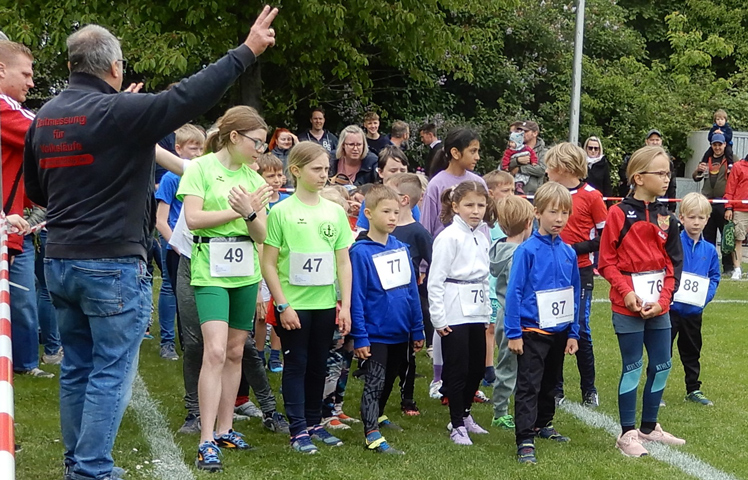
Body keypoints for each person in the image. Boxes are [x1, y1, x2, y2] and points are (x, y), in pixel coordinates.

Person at [23, 8, 279, 479]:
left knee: (78, 367)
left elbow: (37, 192)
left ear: (69, 66)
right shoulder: (119, 110)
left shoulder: (45, 117)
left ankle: (75, 463)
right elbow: (189, 94)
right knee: (109, 371)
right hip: (111, 263)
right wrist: (247, 51)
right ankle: (92, 469)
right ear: (116, 68)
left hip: (58, 261)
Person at [178, 105, 273, 471]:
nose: (259, 151)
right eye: (256, 143)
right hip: (210, 270)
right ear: (234, 137)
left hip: (245, 272)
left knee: (236, 350)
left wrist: (249, 213)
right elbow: (194, 219)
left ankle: (225, 428)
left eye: (263, 145)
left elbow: (262, 232)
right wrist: (238, 211)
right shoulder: (201, 168)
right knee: (214, 351)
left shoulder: (253, 178)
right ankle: (205, 440)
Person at [261, 141, 354, 454]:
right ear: (296, 171)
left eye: (326, 169)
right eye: (316, 169)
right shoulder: (281, 212)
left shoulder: (335, 212)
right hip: (294, 305)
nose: (323, 175)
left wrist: (346, 306)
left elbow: (343, 261)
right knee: (296, 364)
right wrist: (282, 303)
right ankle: (297, 428)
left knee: (318, 364)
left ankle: (315, 423)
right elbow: (268, 263)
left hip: (325, 304)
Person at [599, 145, 685, 458]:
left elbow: (673, 265)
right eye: (660, 173)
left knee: (662, 364)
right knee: (633, 367)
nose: (666, 178)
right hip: (628, 307)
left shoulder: (667, 216)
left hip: (659, 308)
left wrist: (663, 301)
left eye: (668, 173)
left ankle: (649, 426)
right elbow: (606, 262)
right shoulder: (618, 214)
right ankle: (626, 433)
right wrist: (626, 292)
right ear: (638, 177)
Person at [505, 182, 580, 464]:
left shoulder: (569, 253)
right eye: (553, 212)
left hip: (559, 331)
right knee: (529, 385)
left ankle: (542, 423)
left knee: (551, 382)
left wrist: (573, 332)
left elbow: (573, 293)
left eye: (564, 213)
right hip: (532, 331)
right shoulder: (527, 251)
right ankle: (524, 437)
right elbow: (514, 292)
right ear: (537, 213)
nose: (559, 219)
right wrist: (514, 332)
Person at [350, 185, 424, 454]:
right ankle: (372, 434)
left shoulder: (402, 248)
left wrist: (417, 328)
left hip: (401, 330)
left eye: (397, 212)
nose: (393, 217)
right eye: (386, 212)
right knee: (375, 381)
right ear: (368, 213)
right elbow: (356, 297)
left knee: (392, 377)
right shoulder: (359, 253)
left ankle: (379, 415)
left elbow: (411, 291)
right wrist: (360, 335)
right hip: (376, 331)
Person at [420, 127, 488, 403]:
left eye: (478, 150)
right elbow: (427, 224)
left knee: (469, 330)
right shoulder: (438, 183)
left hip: (472, 265)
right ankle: (440, 378)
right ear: (455, 153)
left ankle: (467, 383)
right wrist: (425, 266)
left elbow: (483, 222)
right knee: (445, 324)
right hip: (446, 262)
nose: (477, 156)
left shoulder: (477, 181)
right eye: (473, 151)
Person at [428, 181, 497, 445]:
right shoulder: (448, 237)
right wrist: (439, 318)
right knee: (457, 368)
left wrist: (486, 310)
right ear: (456, 207)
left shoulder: (482, 234)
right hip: (454, 307)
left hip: (476, 309)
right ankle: (456, 423)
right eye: (469, 205)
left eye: (481, 205)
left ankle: (466, 413)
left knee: (476, 366)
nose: (476, 211)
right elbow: (435, 280)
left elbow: (484, 276)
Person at [545, 143, 608, 409]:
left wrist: (573, 249)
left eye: (549, 167)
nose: (546, 171)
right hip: (550, 272)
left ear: (562, 168)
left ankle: (589, 389)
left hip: (580, 271)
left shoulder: (592, 196)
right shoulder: (548, 194)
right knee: (553, 328)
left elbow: (605, 238)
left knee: (580, 328)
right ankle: (555, 389)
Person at [1, 40, 50, 379]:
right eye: (26, 74)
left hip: (12, 226)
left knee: (18, 304)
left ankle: (22, 365)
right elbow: (47, 134)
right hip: (6, 225)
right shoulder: (4, 108)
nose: (32, 82)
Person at [155, 124, 206, 360]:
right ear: (178, 149)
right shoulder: (170, 178)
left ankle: (190, 340)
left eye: (201, 148)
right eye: (193, 148)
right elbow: (161, 220)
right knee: (169, 289)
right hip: (175, 247)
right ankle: (167, 342)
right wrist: (174, 244)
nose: (197, 153)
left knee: (192, 294)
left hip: (196, 246)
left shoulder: (202, 175)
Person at [387, 173, 433, 416]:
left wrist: (426, 286)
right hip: (380, 301)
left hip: (406, 301)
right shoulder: (382, 228)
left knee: (407, 354)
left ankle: (408, 398)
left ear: (404, 200)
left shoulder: (417, 232)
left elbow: (434, 260)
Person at [488, 195, 534, 430]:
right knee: (508, 366)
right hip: (513, 317)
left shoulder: (498, 248)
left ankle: (514, 405)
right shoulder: (519, 254)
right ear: (528, 223)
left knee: (510, 363)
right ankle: (500, 411)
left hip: (503, 316)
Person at [670, 192, 720, 406]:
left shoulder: (709, 250)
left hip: (693, 312)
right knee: (662, 353)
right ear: (681, 218)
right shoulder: (673, 244)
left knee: (692, 352)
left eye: (701, 218)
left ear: (707, 219)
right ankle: (656, 388)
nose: (696, 222)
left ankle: (693, 389)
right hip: (670, 310)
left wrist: (704, 298)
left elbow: (714, 277)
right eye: (692, 217)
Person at [482, 170, 514, 388]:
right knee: (490, 328)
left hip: (503, 286)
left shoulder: (510, 220)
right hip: (490, 285)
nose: (510, 194)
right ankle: (488, 369)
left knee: (498, 327)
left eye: (513, 190)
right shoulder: (489, 225)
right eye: (505, 191)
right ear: (491, 194)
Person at [693, 133, 733, 275]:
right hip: (707, 202)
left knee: (726, 237)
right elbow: (696, 178)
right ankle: (708, 266)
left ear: (724, 145)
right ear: (711, 145)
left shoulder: (732, 159)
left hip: (724, 202)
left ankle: (728, 267)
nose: (717, 147)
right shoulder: (707, 159)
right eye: (714, 145)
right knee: (708, 236)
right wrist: (698, 170)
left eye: (719, 145)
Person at [355, 146, 418, 231]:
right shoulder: (370, 199)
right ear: (380, 172)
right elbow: (362, 230)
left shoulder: (408, 200)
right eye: (393, 171)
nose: (398, 174)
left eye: (402, 171)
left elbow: (419, 226)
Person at [619, 130, 677, 210]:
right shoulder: (637, 158)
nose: (655, 142)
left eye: (657, 140)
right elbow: (623, 172)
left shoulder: (667, 217)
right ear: (646, 142)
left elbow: (672, 185)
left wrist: (672, 207)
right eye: (660, 173)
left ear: (661, 141)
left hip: (662, 204)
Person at [724, 154, 748, 280]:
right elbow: (730, 188)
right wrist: (728, 207)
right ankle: (737, 269)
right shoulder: (738, 166)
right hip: (740, 209)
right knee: (738, 239)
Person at [508, 120, 548, 195]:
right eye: (520, 131)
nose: (522, 134)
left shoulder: (543, 152)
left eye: (525, 131)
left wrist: (520, 169)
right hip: (513, 193)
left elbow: (542, 170)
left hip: (533, 195)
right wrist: (517, 161)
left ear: (535, 133)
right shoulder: (513, 147)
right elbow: (503, 165)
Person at [501, 130, 538, 195]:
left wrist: (533, 162)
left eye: (513, 142)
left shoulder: (530, 149)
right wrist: (517, 161)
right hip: (513, 176)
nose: (510, 144)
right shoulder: (509, 150)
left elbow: (541, 170)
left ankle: (519, 186)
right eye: (510, 142)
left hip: (531, 190)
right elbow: (504, 161)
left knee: (523, 177)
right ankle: (517, 187)